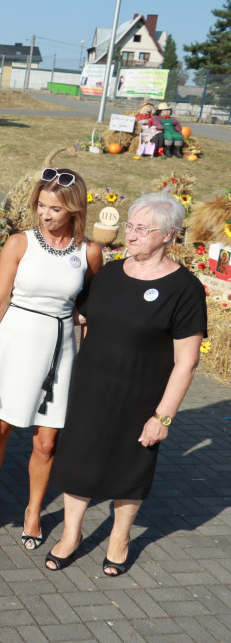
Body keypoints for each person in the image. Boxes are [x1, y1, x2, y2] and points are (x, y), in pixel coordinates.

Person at [46, 192, 205, 575]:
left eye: (142, 229)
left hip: (140, 397)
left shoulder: (185, 289)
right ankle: (72, 534)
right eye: (129, 226)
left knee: (129, 469)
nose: (130, 235)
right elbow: (82, 318)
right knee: (78, 462)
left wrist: (163, 417)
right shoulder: (111, 274)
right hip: (90, 391)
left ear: (169, 235)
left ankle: (119, 537)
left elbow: (187, 361)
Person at [0, 168, 103, 549]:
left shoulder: (89, 252)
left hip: (60, 348)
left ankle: (33, 511)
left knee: (46, 442)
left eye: (55, 208)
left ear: (74, 210)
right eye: (41, 206)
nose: (45, 214)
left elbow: (91, 309)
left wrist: (88, 362)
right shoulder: (18, 243)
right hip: (14, 343)